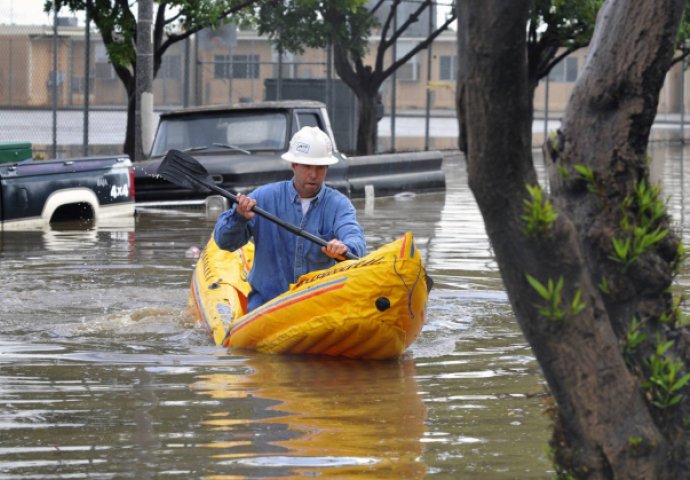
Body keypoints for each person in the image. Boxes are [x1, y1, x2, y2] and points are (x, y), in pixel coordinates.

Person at [213, 126, 366, 311]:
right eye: (307, 166)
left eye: (320, 168)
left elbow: (355, 240)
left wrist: (346, 248)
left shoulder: (339, 205)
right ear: (293, 164)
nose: (314, 174)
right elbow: (223, 242)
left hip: (317, 307)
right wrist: (238, 217)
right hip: (266, 307)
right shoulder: (262, 198)